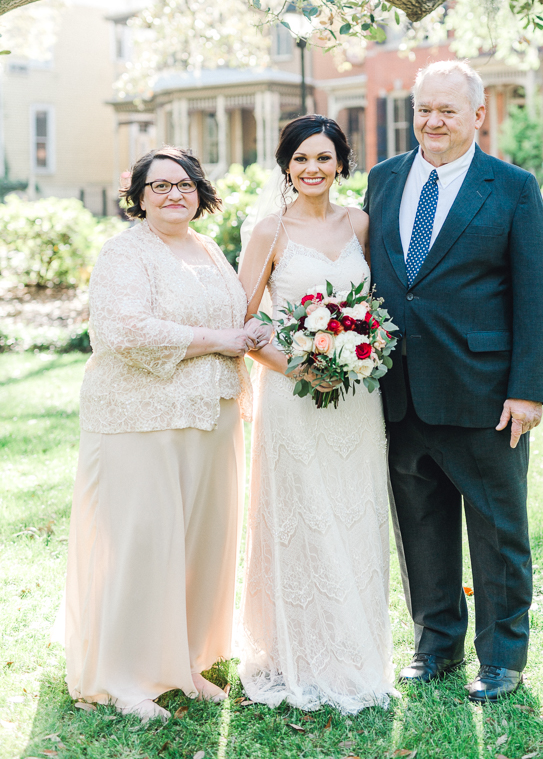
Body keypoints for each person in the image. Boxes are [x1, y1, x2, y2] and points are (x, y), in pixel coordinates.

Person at [364, 60, 543, 703]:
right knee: (420, 525)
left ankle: (503, 657)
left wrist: (527, 389)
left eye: (448, 110)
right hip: (399, 391)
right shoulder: (384, 180)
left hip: (484, 394)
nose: (433, 121)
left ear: (478, 115)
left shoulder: (511, 187)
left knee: (499, 530)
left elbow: (537, 293)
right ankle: (435, 644)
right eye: (423, 108)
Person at [65, 146, 271, 722]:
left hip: (211, 417)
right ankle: (123, 676)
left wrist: (249, 332)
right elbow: (122, 328)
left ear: (200, 193)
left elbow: (234, 319)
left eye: (183, 184)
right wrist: (219, 338)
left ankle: (182, 664)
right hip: (141, 418)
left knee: (199, 545)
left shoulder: (206, 249)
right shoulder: (125, 252)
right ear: (138, 198)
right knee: (143, 545)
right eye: (159, 187)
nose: (173, 194)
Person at [236, 116, 395, 715]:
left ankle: (354, 648)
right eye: (301, 158)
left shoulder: (360, 223)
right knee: (299, 516)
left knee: (354, 511)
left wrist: (363, 349)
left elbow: (378, 306)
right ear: (285, 165)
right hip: (292, 395)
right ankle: (293, 648)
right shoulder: (268, 232)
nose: (312, 169)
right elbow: (245, 322)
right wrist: (295, 365)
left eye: (324, 158)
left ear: (341, 164)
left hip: (356, 396)